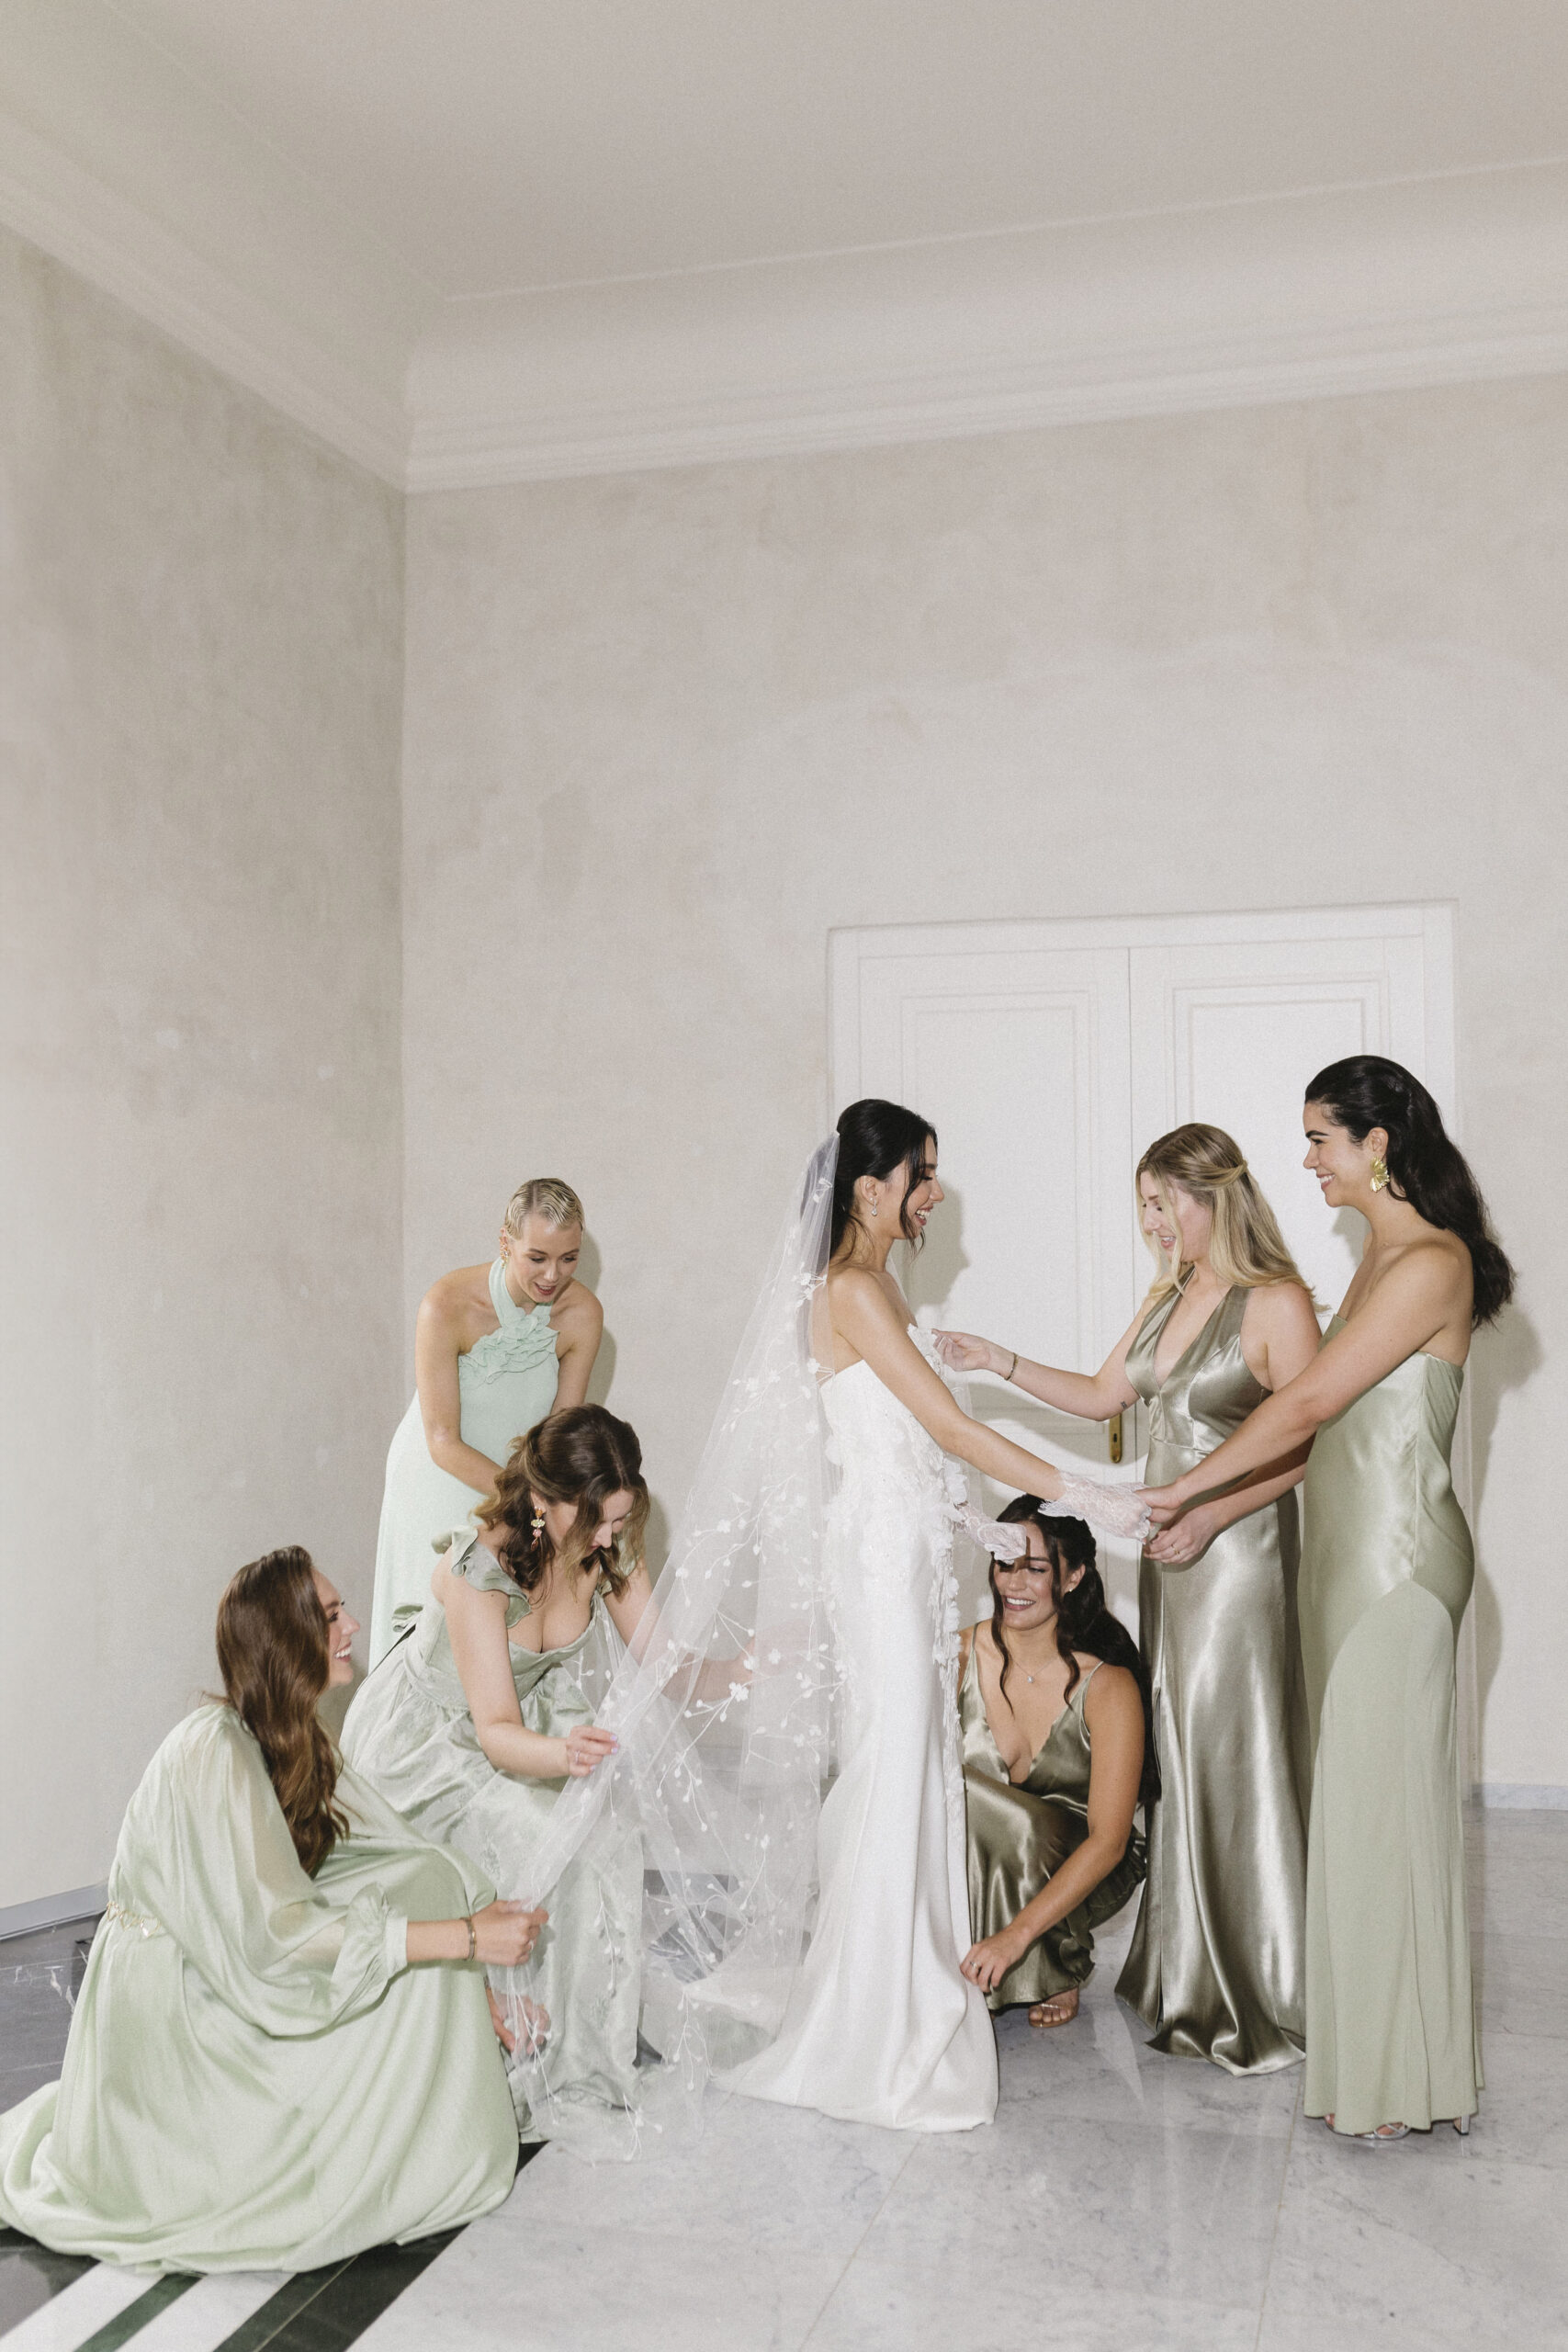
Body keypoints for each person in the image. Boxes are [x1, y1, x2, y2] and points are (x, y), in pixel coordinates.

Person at [717, 1101, 1148, 2132]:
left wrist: (969, 1520)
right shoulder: (852, 1287)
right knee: (894, 1759)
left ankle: (903, 1974)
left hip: (902, 1549)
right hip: (878, 1562)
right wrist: (1084, 1495)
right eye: (923, 1175)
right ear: (871, 1188)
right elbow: (947, 1424)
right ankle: (871, 2014)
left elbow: (903, 1446)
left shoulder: (879, 1284)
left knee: (911, 1761)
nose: (935, 1193)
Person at [1144, 1057, 1514, 2140]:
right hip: (1346, 1563)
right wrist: (1211, 1502)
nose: (1306, 1161)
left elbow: (1307, 1401)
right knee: (1357, 1821)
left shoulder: (1430, 1261)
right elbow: (1323, 1430)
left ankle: (1398, 2083)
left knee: (1383, 1822)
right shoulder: (1378, 1261)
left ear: (1376, 1143)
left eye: (1320, 1138)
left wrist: (1188, 1485)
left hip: (1396, 1566)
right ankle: (1383, 2066)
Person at [0, 1550, 540, 2273]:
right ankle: (341, 2152)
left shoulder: (293, 1736)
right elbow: (277, 1936)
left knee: (421, 1883)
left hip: (233, 1957)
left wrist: (476, 1976)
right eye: (331, 1615)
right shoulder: (212, 1750)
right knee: (420, 1931)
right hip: (176, 2002)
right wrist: (467, 1940)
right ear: (287, 1638)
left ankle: (413, 2129)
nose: (352, 1626)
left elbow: (396, 1848)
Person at [938, 1124, 1321, 2074]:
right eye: (1142, 1206)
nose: (1151, 1223)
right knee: (1182, 1747)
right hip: (1169, 1551)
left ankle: (1265, 1979)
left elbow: (1310, 1444)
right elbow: (1105, 1395)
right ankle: (1186, 1970)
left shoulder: (1275, 1301)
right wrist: (996, 1358)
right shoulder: (1169, 1294)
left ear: (1213, 1194)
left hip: (1237, 1554)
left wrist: (1211, 1512)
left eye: (1162, 1203)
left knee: (1235, 1745)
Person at [344, 1405, 652, 2141]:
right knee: (553, 1838)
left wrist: (748, 1668)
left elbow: (669, 1662)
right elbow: (494, 1734)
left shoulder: (603, 1549)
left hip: (528, 1731)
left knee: (610, 1842)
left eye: (618, 1519)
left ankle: (585, 2061)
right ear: (544, 1503)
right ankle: (515, 2053)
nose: (608, 1537)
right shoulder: (478, 1571)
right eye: (597, 1520)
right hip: (433, 1750)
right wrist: (567, 1755)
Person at [368, 1178, 603, 1666]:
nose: (553, 1275)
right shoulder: (446, 1304)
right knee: (431, 1640)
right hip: (440, 1478)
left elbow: (559, 1436)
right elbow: (441, 1440)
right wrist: (530, 1498)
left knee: (504, 1641)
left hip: (525, 1492)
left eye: (569, 1258)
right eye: (537, 1258)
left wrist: (552, 1503)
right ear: (505, 1242)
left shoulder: (583, 1313)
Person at [957, 1500, 1152, 2030]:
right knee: (955, 1792)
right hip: (975, 1856)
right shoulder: (960, 1654)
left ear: (1073, 1577)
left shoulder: (1108, 1686)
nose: (1013, 1583)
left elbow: (1108, 1842)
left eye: (1036, 1569)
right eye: (1003, 1562)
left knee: (1023, 1825)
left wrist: (1016, 1938)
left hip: (1074, 1861)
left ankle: (1053, 1954)